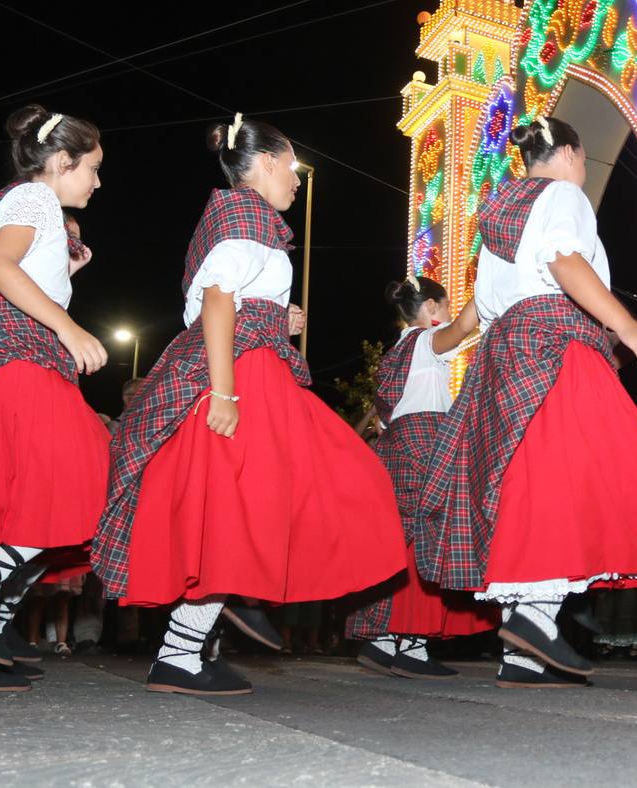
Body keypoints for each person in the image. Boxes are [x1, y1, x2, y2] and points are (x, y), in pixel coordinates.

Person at [91, 114, 405, 696]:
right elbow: (215, 301)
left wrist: (273, 316)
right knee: (322, 481)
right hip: (242, 373)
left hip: (250, 364)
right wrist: (224, 390)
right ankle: (192, 644)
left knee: (244, 506)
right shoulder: (247, 215)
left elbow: (230, 296)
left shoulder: (242, 218)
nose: (296, 180)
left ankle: (187, 649)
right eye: (291, 167)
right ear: (264, 163)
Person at [416, 115, 637, 688]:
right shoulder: (563, 195)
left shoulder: (500, 212)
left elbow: (482, 307)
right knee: (589, 477)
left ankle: (522, 653)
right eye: (582, 159)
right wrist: (631, 327)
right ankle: (534, 619)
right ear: (570, 152)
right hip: (555, 346)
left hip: (505, 352)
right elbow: (565, 262)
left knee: (527, 484)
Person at [0, 105, 110, 692]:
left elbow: (3, 271)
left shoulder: (33, 206)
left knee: (18, 500)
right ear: (61, 163)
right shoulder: (34, 198)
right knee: (76, 477)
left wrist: (64, 271)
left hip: (14, 354)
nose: (96, 180)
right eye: (91, 167)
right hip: (18, 356)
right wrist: (69, 326)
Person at [347, 276, 496, 679]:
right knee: (431, 540)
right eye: (444, 307)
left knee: (401, 542)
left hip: (397, 447)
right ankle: (412, 644)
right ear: (430, 308)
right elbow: (463, 327)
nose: (447, 314)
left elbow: (383, 418)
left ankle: (380, 641)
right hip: (426, 443)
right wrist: (493, 275)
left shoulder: (395, 355)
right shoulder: (423, 343)